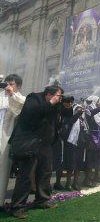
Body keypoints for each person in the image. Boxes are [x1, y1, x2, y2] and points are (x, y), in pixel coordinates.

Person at [9, 85, 63, 219]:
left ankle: (42, 200)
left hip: (45, 144)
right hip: (31, 143)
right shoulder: (34, 98)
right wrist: (50, 103)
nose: (59, 99)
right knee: (26, 175)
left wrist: (67, 106)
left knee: (45, 172)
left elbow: (65, 116)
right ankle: (17, 206)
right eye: (58, 96)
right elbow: (30, 114)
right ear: (49, 95)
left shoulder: (55, 105)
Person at [0, 74, 25, 207]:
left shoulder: (20, 98)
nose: (8, 86)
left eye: (12, 84)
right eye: (6, 83)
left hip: (6, 138)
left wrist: (11, 94)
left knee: (2, 171)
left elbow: (20, 107)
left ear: (19, 86)